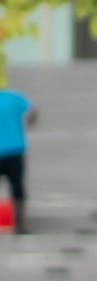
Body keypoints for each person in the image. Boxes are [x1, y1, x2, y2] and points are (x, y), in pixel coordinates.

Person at [0, 84, 36, 229]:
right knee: (17, 188)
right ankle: (20, 224)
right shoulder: (15, 97)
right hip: (15, 149)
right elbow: (33, 112)